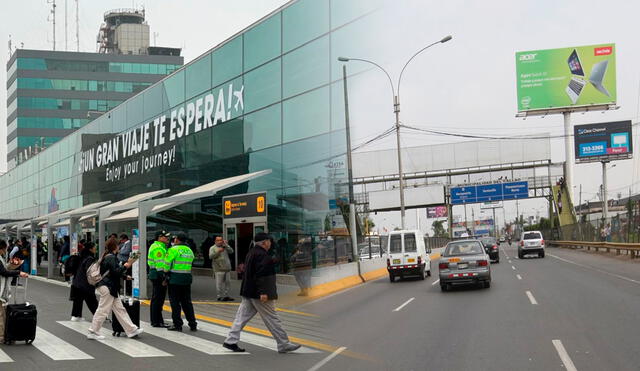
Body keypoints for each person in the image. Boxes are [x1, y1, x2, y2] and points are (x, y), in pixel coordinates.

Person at [223, 232, 301, 353]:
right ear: (264, 242)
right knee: (272, 318)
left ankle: (230, 340)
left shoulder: (252, 253)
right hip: (259, 293)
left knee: (241, 318)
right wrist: (264, 292)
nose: (271, 243)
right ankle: (283, 344)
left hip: (248, 291)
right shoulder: (263, 255)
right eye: (269, 241)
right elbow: (263, 275)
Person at [87, 237, 143, 340]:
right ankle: (93, 331)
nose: (119, 247)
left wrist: (125, 276)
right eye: (118, 245)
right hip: (108, 287)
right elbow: (116, 272)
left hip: (109, 287)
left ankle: (131, 330)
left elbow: (112, 272)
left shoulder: (107, 256)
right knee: (103, 310)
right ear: (115, 247)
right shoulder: (111, 257)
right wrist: (127, 265)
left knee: (120, 309)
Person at [163, 233, 197, 332]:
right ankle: (192, 324)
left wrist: (165, 273)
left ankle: (177, 324)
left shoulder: (173, 250)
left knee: (175, 303)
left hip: (174, 279)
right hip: (186, 278)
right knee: (187, 302)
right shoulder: (189, 250)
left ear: (177, 240)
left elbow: (167, 264)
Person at [0, 240, 28, 343]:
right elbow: (3, 272)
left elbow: (4, 269)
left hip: (1, 289)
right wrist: (18, 272)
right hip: (0, 291)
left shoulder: (1, 258)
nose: (5, 251)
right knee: (1, 314)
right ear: (2, 248)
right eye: (5, 249)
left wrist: (11, 264)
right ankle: (1, 337)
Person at [69, 242, 98, 321]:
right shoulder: (89, 259)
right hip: (85, 283)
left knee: (78, 300)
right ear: (90, 249)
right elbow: (89, 271)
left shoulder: (81, 256)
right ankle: (99, 316)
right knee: (92, 300)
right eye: (95, 247)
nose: (96, 248)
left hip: (77, 282)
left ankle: (75, 316)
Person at [148, 230, 171, 328]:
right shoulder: (159, 248)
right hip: (158, 275)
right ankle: (157, 321)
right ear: (159, 238)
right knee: (158, 299)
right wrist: (164, 278)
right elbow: (160, 265)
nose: (167, 239)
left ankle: (156, 320)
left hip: (155, 274)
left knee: (156, 299)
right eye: (165, 237)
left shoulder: (157, 246)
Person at [209, 235, 234, 302]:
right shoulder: (212, 248)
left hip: (227, 268)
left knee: (228, 282)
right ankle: (219, 296)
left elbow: (231, 251)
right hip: (218, 268)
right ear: (215, 241)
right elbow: (210, 256)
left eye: (221, 240)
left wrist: (226, 245)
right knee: (219, 283)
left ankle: (226, 295)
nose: (220, 242)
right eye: (218, 240)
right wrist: (218, 251)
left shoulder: (225, 247)